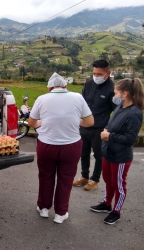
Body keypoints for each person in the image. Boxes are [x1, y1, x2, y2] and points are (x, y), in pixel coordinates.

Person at [28, 73, 94, 224]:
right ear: (66, 86)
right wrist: (76, 121)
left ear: (49, 87)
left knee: (45, 176)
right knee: (66, 179)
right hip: (71, 146)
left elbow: (32, 123)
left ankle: (43, 208)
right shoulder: (77, 97)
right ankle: (60, 213)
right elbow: (89, 122)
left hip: (47, 146)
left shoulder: (42, 99)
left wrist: (40, 124)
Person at [90, 78, 144, 225]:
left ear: (125, 94)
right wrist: (107, 130)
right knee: (108, 181)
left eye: (115, 93)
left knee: (118, 184)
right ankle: (107, 203)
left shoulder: (135, 113)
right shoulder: (120, 108)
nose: (114, 96)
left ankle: (116, 211)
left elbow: (130, 138)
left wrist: (109, 135)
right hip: (108, 152)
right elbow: (111, 124)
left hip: (121, 157)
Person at [73, 59, 116, 191]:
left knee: (99, 155)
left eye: (99, 74)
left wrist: (109, 129)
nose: (96, 76)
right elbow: (81, 103)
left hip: (100, 128)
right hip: (84, 126)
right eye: (94, 73)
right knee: (83, 153)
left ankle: (95, 179)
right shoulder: (89, 84)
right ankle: (84, 176)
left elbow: (116, 111)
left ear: (107, 74)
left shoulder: (112, 89)